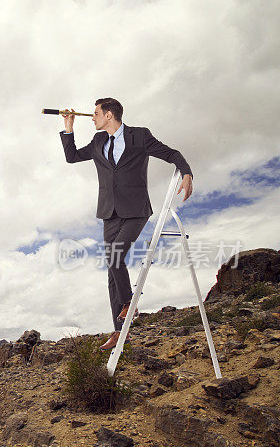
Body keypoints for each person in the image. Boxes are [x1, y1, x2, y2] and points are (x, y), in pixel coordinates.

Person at [59, 98, 193, 350]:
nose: (93, 117)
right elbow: (72, 157)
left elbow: (171, 153)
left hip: (135, 210)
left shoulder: (140, 136)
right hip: (109, 212)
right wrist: (69, 127)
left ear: (109, 115)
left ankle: (129, 304)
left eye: (96, 113)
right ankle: (121, 332)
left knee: (114, 254)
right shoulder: (99, 141)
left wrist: (186, 173)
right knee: (112, 269)